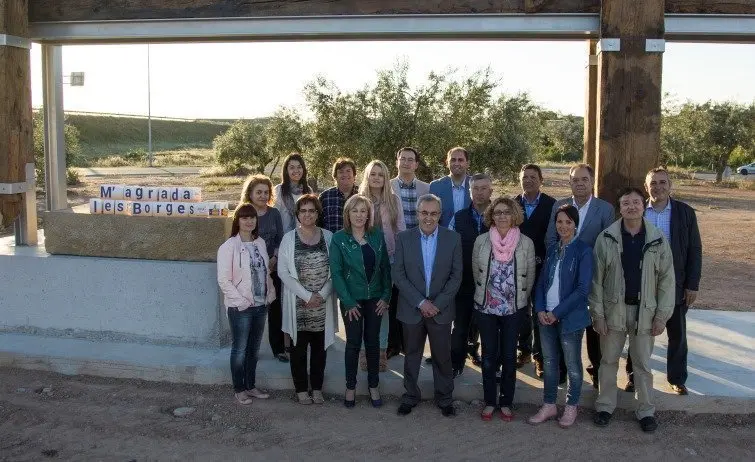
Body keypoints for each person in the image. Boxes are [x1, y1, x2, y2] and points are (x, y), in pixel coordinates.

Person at [591, 187, 675, 433]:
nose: (631, 207)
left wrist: (661, 316)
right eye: (626, 203)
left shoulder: (657, 238)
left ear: (643, 205)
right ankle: (605, 407)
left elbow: (667, 280)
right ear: (620, 207)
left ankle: (646, 411)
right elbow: (596, 280)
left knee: (642, 365)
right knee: (607, 361)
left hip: (645, 313)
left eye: (636, 202)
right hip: (612, 311)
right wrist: (597, 314)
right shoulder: (606, 238)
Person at [624, 167, 702, 395]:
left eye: (662, 182)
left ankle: (677, 379)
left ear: (670, 185)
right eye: (653, 183)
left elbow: (695, 250)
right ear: (646, 187)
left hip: (675, 285)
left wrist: (692, 284)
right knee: (638, 333)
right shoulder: (638, 211)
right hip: (641, 284)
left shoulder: (685, 213)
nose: (658, 187)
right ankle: (633, 377)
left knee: (677, 334)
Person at [393, 194, 462, 417]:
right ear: (417, 213)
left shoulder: (453, 239)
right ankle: (410, 396)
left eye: (433, 213)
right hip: (412, 308)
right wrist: (421, 302)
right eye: (424, 213)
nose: (428, 218)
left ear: (440, 215)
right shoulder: (403, 238)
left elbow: (456, 276)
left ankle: (445, 398)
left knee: (442, 356)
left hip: (440, 310)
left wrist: (436, 304)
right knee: (411, 354)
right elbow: (399, 275)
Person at [545, 163, 614, 387]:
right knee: (563, 321)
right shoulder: (559, 205)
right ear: (570, 182)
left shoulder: (605, 209)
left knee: (593, 325)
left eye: (584, 179)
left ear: (592, 181)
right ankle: (562, 370)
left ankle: (595, 370)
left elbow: (608, 246)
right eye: (575, 180)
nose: (580, 183)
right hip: (563, 277)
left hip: (593, 277)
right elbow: (550, 239)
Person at [528, 204, 593, 428]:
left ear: (576, 224)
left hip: (569, 318)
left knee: (573, 364)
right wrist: (539, 310)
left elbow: (583, 290)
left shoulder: (583, 251)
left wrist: (556, 313)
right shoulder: (553, 249)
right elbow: (541, 283)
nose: (563, 226)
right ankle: (549, 405)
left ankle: (571, 406)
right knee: (549, 362)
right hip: (546, 316)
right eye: (559, 222)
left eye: (568, 222)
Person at [472, 197, 536, 421]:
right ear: (491, 215)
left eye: (506, 212)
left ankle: (506, 402)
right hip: (486, 308)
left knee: (509, 357)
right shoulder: (481, 241)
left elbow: (529, 277)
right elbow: (476, 273)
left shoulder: (525, 243)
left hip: (513, 309)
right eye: (497, 212)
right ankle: (490, 401)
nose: (501, 216)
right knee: (489, 357)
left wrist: (519, 303)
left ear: (514, 215)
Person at [329, 195, 392, 408]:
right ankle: (350, 386)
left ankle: (373, 385)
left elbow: (385, 268)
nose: (359, 215)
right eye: (354, 211)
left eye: (363, 211)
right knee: (354, 343)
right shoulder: (339, 239)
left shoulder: (377, 236)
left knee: (372, 343)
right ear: (348, 213)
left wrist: (386, 296)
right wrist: (347, 301)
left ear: (368, 214)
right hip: (352, 301)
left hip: (375, 298)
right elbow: (336, 273)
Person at [278, 195, 338, 405]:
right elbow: (283, 272)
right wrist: (306, 296)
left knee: (320, 350)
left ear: (317, 213)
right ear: (297, 214)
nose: (307, 214)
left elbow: (335, 271)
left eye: (311, 211)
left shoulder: (329, 237)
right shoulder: (288, 239)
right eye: (303, 211)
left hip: (322, 305)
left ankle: (318, 388)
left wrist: (320, 295)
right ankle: (302, 389)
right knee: (298, 350)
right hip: (298, 305)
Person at [217, 203, 276, 405]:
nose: (249, 221)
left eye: (252, 217)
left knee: (253, 349)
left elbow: (265, 272)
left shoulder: (259, 243)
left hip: (260, 305)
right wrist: (241, 302)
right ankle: (239, 389)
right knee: (240, 349)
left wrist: (269, 295)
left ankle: (251, 386)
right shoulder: (228, 247)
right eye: (244, 217)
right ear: (237, 221)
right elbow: (224, 281)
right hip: (240, 307)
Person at [358, 160, 406, 371]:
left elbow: (401, 231)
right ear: (367, 177)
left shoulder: (394, 201)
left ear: (386, 178)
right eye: (373, 174)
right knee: (364, 308)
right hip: (363, 262)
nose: (376, 177)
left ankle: (381, 354)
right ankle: (364, 354)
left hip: (389, 261)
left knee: (382, 308)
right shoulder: (358, 201)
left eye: (380, 174)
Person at [514, 164, 557, 375]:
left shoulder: (552, 205)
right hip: (517, 269)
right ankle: (523, 350)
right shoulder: (513, 204)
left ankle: (540, 356)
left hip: (543, 268)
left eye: (533, 177)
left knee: (540, 312)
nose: (528, 180)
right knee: (521, 311)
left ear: (541, 180)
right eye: (525, 177)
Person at [388, 147, 430, 358]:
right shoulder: (388, 187)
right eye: (402, 159)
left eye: (410, 160)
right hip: (394, 249)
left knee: (413, 295)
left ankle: (410, 344)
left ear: (416, 164)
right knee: (394, 296)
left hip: (419, 250)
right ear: (397, 162)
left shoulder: (426, 188)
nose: (406, 162)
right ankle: (393, 344)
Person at [240, 174, 287, 362]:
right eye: (258, 192)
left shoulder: (274, 213)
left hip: (272, 269)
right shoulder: (243, 213)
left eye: (266, 192)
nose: (262, 195)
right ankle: (250, 349)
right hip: (250, 271)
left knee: (275, 310)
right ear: (250, 193)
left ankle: (278, 349)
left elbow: (280, 239)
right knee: (252, 310)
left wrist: (274, 258)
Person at [449, 173, 492, 377]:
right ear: (469, 191)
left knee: (489, 330)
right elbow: (449, 249)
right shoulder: (458, 217)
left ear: (491, 191)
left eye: (484, 188)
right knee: (460, 327)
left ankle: (490, 368)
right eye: (475, 188)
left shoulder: (499, 216)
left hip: (492, 285)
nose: (479, 192)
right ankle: (455, 365)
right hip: (464, 282)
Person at [429, 147, 471, 228]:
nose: (456, 163)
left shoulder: (475, 185)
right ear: (447, 163)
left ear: (467, 163)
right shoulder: (435, 186)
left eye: (460, 160)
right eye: (453, 160)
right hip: (444, 237)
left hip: (471, 238)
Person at [274, 153, 313, 233]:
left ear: (303, 169)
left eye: (299, 167)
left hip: (304, 237)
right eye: (292, 168)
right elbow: (274, 217)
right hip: (283, 237)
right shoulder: (279, 190)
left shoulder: (308, 191)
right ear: (286, 171)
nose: (296, 171)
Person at [319, 157, 358, 233]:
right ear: (335, 177)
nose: (345, 174)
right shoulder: (325, 197)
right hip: (331, 243)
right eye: (341, 172)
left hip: (357, 243)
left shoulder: (362, 195)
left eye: (348, 171)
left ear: (354, 175)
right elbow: (318, 224)